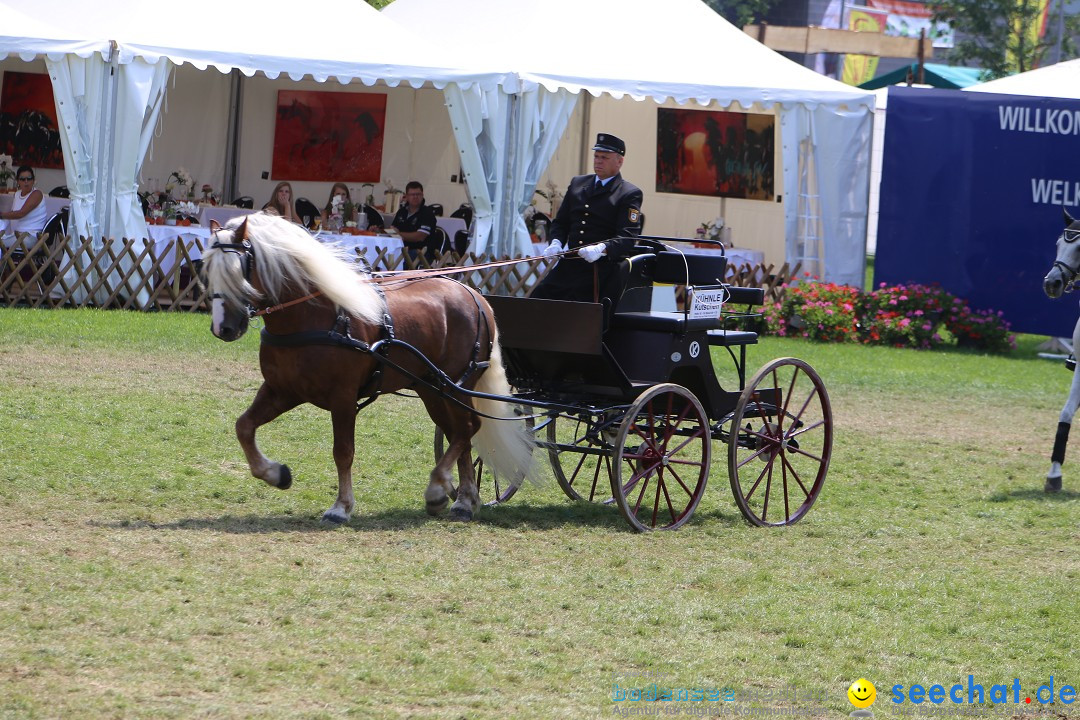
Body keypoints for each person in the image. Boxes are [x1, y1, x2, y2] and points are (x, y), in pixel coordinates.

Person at [530, 133, 644, 308]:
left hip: (600, 270)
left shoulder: (628, 193)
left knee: (583, 314)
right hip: (570, 264)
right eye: (596, 156)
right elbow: (561, 222)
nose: (598, 161)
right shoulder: (578, 184)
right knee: (537, 300)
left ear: (619, 162)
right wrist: (556, 242)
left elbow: (627, 236)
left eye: (604, 158)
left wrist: (602, 249)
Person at [391, 181, 437, 263]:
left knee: (394, 260)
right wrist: (380, 231)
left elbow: (420, 236)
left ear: (422, 195)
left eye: (418, 194)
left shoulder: (427, 213)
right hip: (401, 249)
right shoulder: (401, 212)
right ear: (406, 196)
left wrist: (398, 234)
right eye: (412, 194)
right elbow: (393, 230)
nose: (415, 197)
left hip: (420, 252)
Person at [0, 166, 48, 242]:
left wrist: (2, 215)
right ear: (18, 181)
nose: (26, 181)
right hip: (18, 235)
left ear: (33, 180)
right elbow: (13, 213)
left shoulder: (37, 194)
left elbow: (21, 213)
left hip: (32, 236)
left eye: (29, 178)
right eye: (22, 179)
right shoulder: (17, 194)